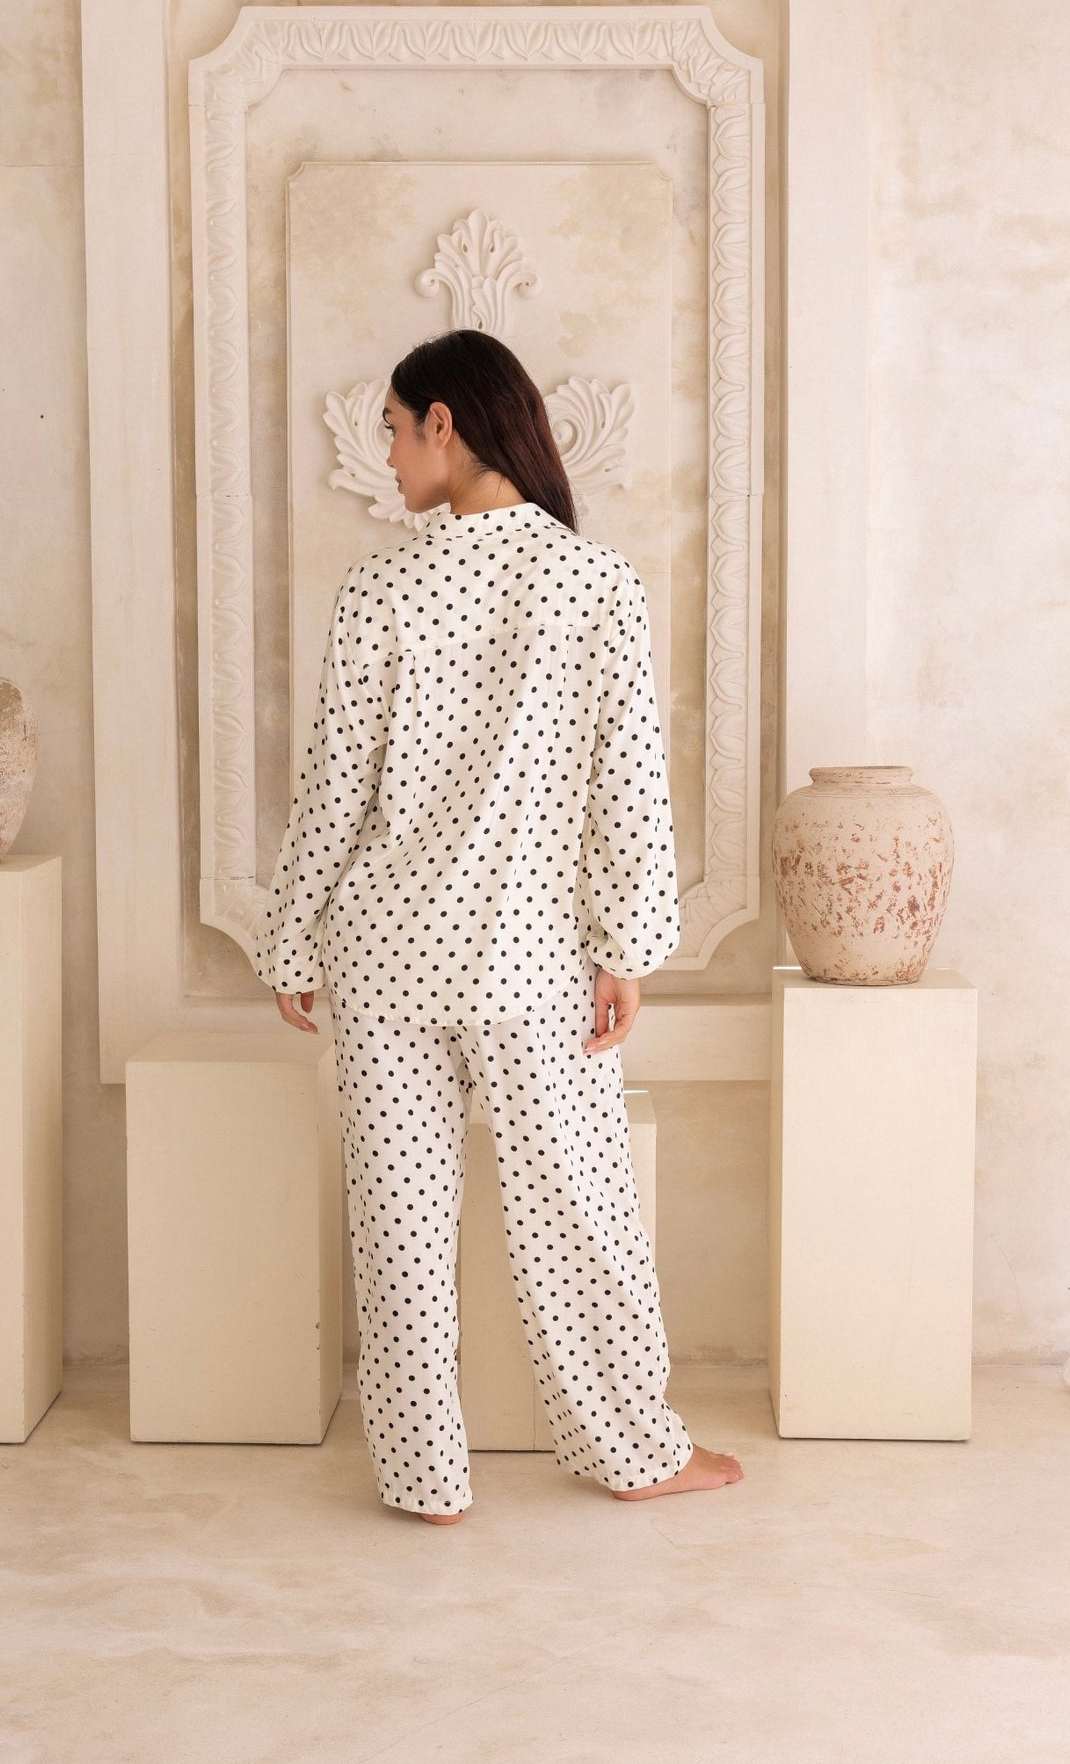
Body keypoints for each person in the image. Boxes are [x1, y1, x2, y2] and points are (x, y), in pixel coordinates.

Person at [253, 329, 744, 1523]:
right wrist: (626, 948)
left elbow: (333, 795)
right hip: (527, 960)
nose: (386, 451)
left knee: (399, 1225)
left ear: (445, 424)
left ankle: (424, 1479)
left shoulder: (379, 591)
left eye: (393, 426)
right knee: (581, 1214)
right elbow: (629, 789)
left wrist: (291, 941)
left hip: (383, 958)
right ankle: (632, 1451)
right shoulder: (594, 584)